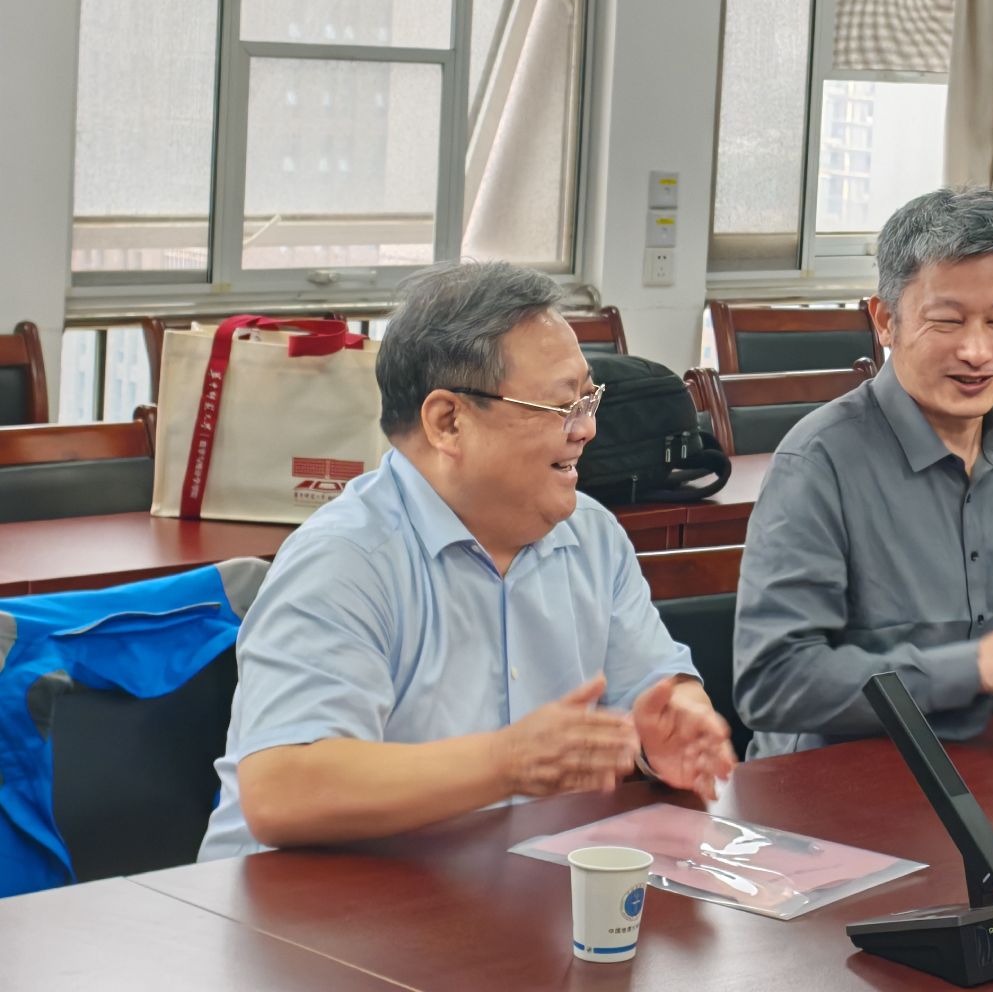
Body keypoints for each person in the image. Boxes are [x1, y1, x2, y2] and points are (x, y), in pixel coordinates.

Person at [198, 262, 734, 859]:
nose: (586, 429)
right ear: (448, 422)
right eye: (561, 405)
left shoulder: (591, 536)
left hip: (492, 883)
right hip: (301, 900)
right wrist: (508, 762)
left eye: (589, 398)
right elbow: (283, 791)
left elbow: (655, 687)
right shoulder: (346, 560)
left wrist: (673, 725)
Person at [733, 186, 993, 756]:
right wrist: (978, 665)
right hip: (847, 779)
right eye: (947, 321)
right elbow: (775, 681)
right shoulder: (819, 462)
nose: (977, 351)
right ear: (885, 321)